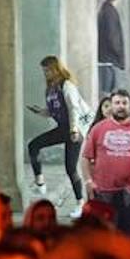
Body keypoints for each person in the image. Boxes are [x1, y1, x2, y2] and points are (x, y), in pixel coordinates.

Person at [79, 89, 130, 236]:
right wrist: (88, 181)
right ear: (112, 105)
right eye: (117, 103)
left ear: (129, 106)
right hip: (103, 192)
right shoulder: (98, 128)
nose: (121, 106)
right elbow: (85, 157)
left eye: (124, 103)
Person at [26, 55, 93, 208]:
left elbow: (73, 108)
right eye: (44, 71)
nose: (46, 74)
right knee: (33, 145)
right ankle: (40, 183)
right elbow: (54, 110)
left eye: (48, 70)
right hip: (62, 128)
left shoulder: (67, 85)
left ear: (56, 69)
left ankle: (80, 204)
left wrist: (74, 129)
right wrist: (40, 112)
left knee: (70, 168)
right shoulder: (51, 88)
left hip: (73, 130)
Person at [97, 0, 126, 94]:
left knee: (109, 86)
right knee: (109, 88)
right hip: (109, 57)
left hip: (106, 56)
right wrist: (118, 52)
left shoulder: (105, 10)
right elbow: (112, 35)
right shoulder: (110, 13)